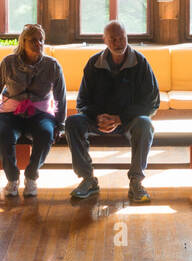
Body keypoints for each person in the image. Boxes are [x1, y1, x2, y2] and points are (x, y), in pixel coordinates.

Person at [66, 21, 160, 204]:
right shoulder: (94, 63)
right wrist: (97, 117)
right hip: (99, 120)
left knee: (145, 124)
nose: (118, 43)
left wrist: (119, 118)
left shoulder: (140, 63)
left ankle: (136, 182)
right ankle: (88, 179)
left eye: (122, 38)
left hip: (128, 121)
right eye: (113, 39)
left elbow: (152, 102)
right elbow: (82, 102)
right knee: (72, 122)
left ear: (127, 37)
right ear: (105, 40)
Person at [0, 23, 67, 199]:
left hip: (40, 113)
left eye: (41, 40)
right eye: (34, 40)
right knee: (3, 134)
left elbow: (60, 97)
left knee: (45, 133)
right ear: (23, 42)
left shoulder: (52, 65)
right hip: (9, 113)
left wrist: (60, 124)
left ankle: (31, 176)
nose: (38, 44)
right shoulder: (8, 62)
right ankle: (12, 179)